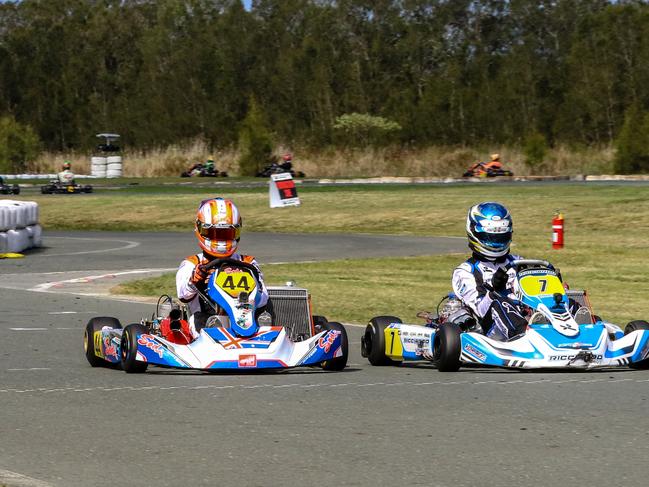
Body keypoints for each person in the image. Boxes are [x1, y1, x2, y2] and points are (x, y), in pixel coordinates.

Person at [175, 197, 270, 339]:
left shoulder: (249, 263)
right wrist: (195, 281)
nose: (220, 240)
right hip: (207, 319)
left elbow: (264, 298)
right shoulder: (192, 263)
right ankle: (213, 335)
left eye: (225, 234)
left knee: (265, 315)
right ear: (201, 230)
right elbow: (183, 295)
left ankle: (263, 338)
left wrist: (252, 288)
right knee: (199, 319)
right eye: (214, 233)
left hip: (247, 318)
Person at [451, 202, 528, 341]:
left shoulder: (518, 262)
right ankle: (523, 337)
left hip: (526, 315)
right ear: (474, 233)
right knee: (501, 303)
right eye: (491, 238)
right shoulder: (465, 272)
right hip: (491, 330)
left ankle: (576, 334)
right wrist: (494, 291)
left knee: (562, 299)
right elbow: (480, 311)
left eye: (501, 237)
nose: (497, 242)